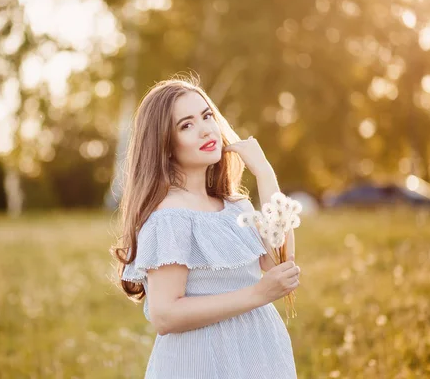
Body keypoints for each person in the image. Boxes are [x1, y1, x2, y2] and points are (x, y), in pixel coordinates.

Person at [111, 75, 301, 378]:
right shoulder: (170, 217)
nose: (205, 130)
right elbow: (165, 315)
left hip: (258, 354)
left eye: (207, 115)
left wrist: (264, 172)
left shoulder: (234, 207)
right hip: (201, 362)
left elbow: (279, 260)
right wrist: (258, 294)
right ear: (166, 145)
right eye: (186, 125)